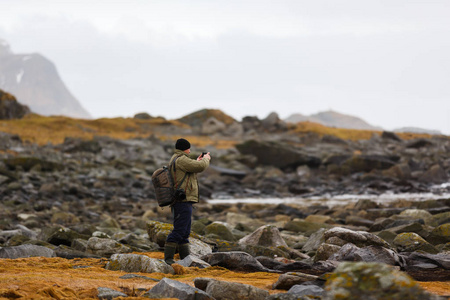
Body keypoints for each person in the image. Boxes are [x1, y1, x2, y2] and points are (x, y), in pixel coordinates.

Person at [164, 138, 211, 265]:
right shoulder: (181, 159)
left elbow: (192, 167)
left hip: (182, 200)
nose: (190, 151)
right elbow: (200, 167)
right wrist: (206, 159)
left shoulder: (176, 158)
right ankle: (168, 260)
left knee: (184, 232)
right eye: (189, 149)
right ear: (186, 148)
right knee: (179, 231)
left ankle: (186, 260)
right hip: (182, 200)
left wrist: (197, 161)